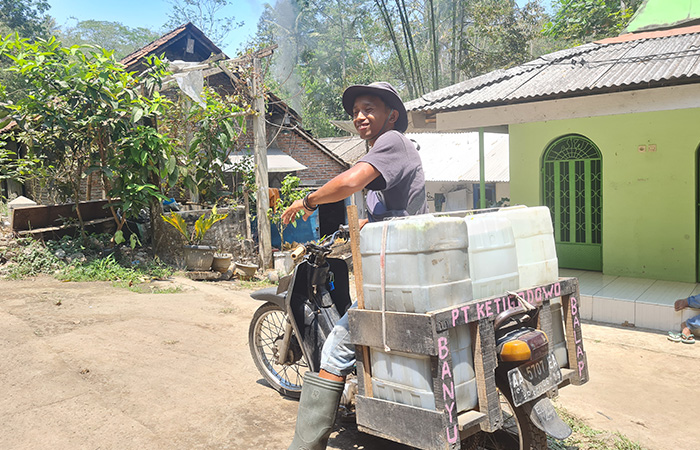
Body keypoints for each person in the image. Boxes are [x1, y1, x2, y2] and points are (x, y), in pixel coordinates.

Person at [281, 82, 428, 450]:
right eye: (355, 112)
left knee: (334, 349)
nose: (359, 117)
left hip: (396, 273)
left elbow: (349, 182)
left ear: (391, 115)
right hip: (401, 263)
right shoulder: (384, 150)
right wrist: (363, 225)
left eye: (368, 108)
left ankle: (305, 445)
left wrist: (308, 201)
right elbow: (400, 209)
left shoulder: (391, 142)